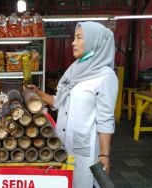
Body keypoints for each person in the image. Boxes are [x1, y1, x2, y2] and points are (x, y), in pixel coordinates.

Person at [28, 22, 118, 188]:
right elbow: (59, 102)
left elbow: (106, 120)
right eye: (74, 38)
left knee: (83, 182)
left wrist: (104, 155)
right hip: (64, 143)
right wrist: (39, 94)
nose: (73, 42)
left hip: (86, 149)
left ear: (94, 42)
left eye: (79, 38)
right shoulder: (76, 69)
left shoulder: (106, 77)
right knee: (67, 181)